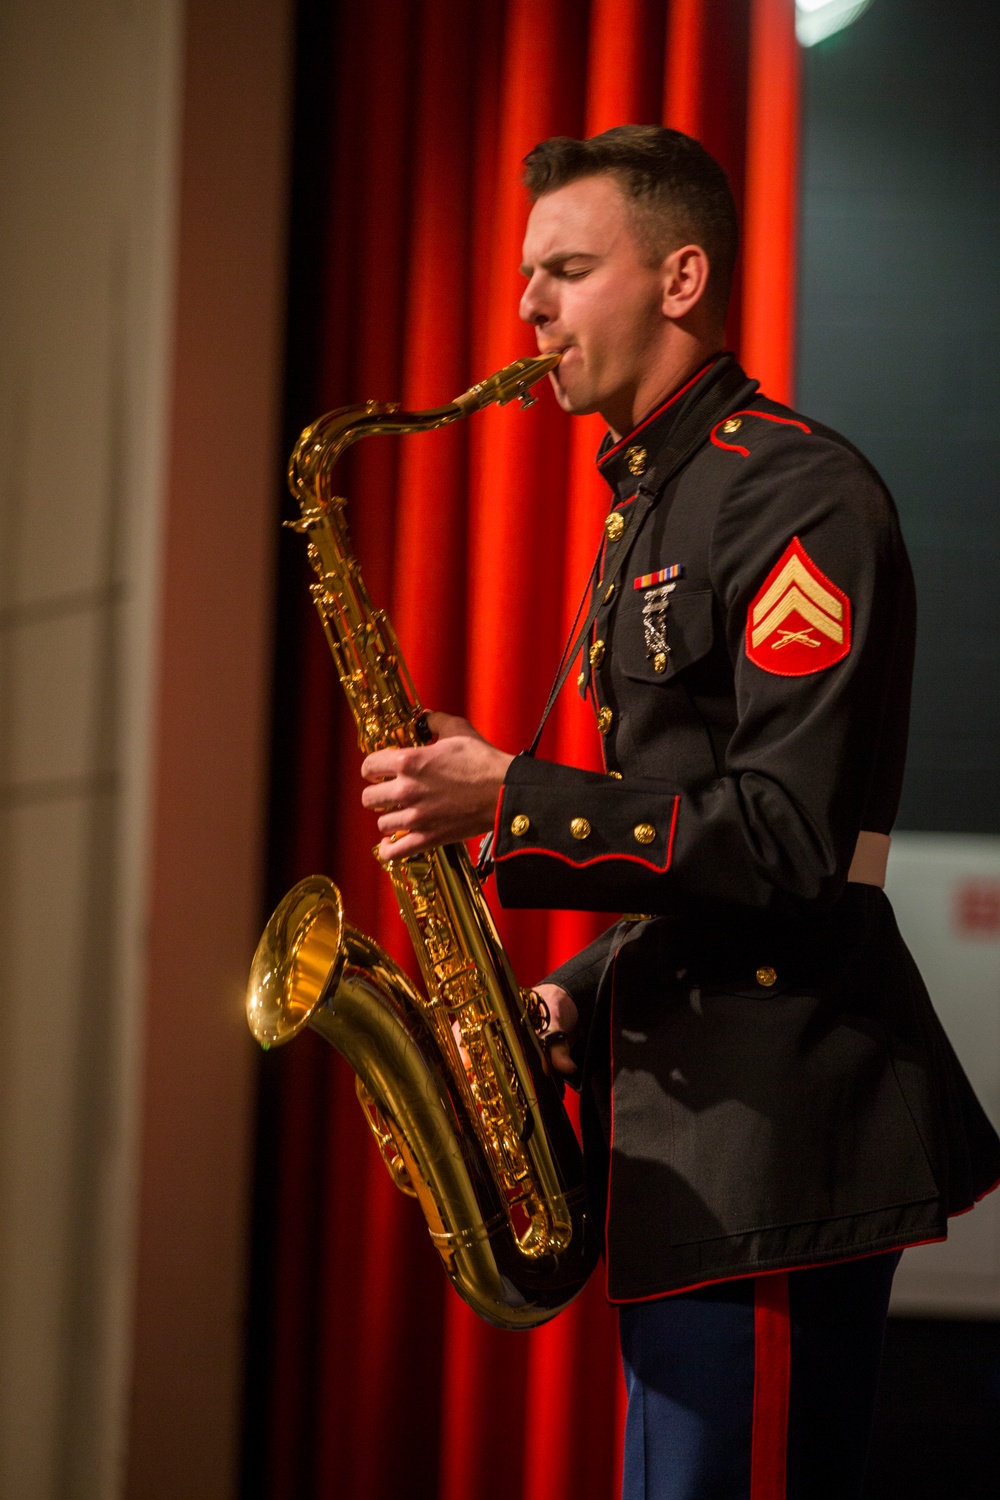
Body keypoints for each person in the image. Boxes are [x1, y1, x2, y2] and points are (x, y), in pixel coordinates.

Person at [360, 126, 1000, 1500]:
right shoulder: (653, 502)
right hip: (695, 1136)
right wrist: (573, 995)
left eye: (569, 269)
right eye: (528, 274)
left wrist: (510, 796)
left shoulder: (796, 490)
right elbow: (695, 848)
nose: (528, 307)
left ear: (682, 277)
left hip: (776, 1136)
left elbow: (783, 842)